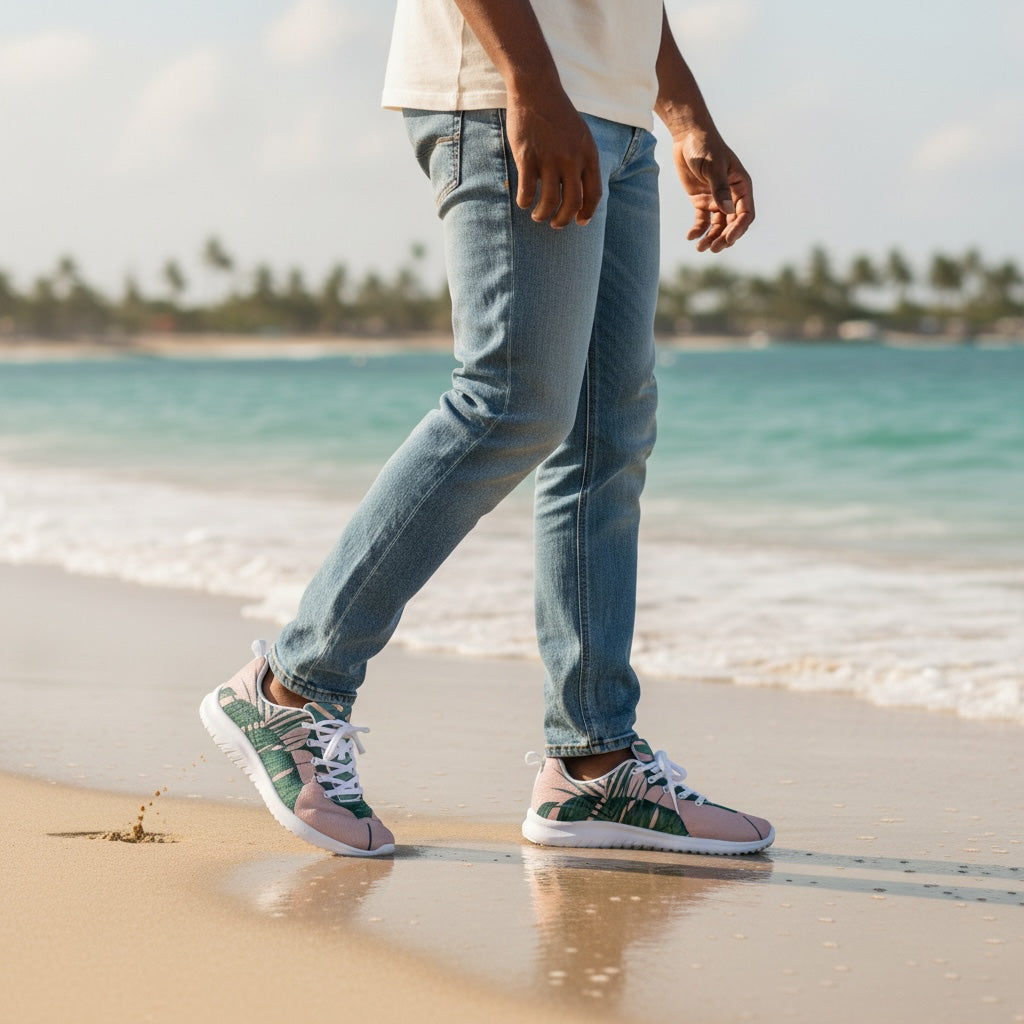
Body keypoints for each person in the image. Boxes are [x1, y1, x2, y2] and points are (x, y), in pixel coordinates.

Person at [200, 0, 774, 858]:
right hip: (509, 87)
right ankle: (291, 688)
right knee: (510, 399)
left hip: (616, 112)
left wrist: (683, 111)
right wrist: (530, 84)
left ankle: (594, 765)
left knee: (605, 435)